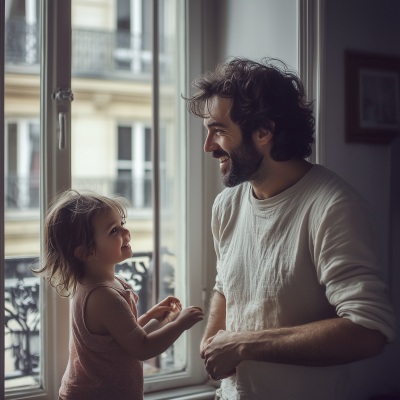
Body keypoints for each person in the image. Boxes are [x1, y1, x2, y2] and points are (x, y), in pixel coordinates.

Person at [185, 58, 396, 400]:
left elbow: (369, 329)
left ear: (264, 131)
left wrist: (242, 344)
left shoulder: (333, 207)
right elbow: (227, 284)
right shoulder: (226, 206)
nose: (208, 146)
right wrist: (213, 342)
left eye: (219, 130)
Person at [32, 189, 204, 400]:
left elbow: (125, 339)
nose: (126, 232)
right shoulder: (103, 296)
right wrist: (180, 325)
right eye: (114, 230)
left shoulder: (106, 284)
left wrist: (156, 319)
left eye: (121, 224)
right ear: (86, 252)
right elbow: (141, 348)